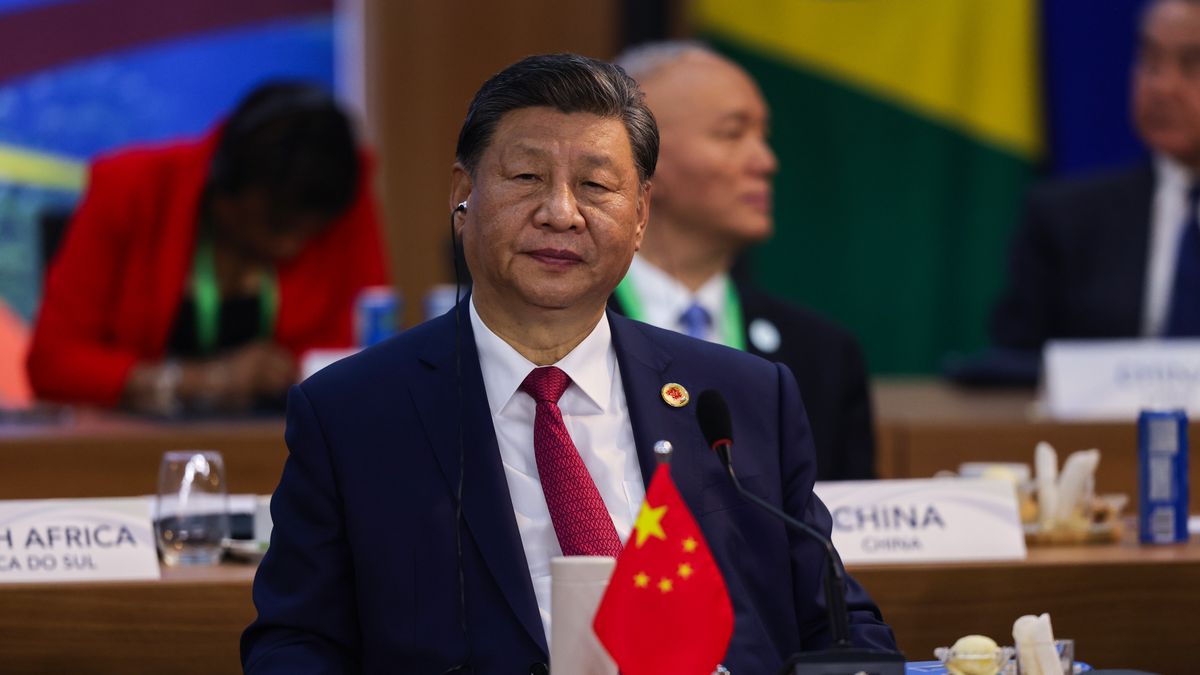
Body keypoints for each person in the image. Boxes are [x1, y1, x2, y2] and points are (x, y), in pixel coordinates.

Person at [241, 53, 895, 674]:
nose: (560, 212)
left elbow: (840, 623)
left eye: (596, 186)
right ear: (462, 194)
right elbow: (296, 642)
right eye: (527, 178)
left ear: (639, 215)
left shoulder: (742, 397)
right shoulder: (352, 411)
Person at [25, 82, 388, 415]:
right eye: (275, 225)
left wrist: (289, 372)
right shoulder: (130, 189)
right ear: (223, 188)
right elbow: (53, 363)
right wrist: (201, 379)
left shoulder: (339, 195)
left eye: (308, 232)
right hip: (129, 445)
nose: (290, 245)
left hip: (288, 449)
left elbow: (369, 357)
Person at [609, 42, 876, 481]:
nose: (766, 162)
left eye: (763, 136)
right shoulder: (565, 335)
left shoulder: (823, 355)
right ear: (640, 157)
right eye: (733, 134)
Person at [992, 0, 1200, 350]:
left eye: (1192, 64)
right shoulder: (1064, 220)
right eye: (1150, 61)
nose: (1162, 87)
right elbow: (1011, 370)